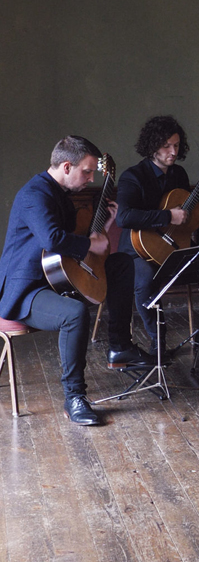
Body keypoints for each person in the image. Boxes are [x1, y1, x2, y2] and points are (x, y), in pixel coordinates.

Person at [0, 136, 154, 425]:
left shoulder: (60, 194)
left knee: (121, 263)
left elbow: (74, 239)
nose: (91, 178)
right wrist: (89, 246)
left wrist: (104, 227)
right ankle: (74, 397)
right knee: (74, 313)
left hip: (55, 277)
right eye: (87, 171)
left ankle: (120, 344)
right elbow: (53, 239)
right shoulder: (34, 194)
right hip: (25, 289)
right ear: (67, 166)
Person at [116, 115, 199, 356]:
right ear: (152, 146)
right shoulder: (133, 177)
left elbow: (190, 216)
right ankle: (157, 341)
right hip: (138, 254)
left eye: (177, 145)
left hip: (175, 250)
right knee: (144, 281)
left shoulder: (178, 175)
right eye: (166, 146)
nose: (173, 151)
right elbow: (124, 217)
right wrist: (166, 217)